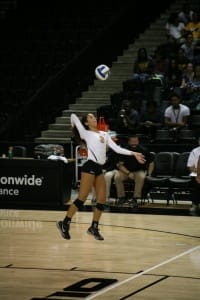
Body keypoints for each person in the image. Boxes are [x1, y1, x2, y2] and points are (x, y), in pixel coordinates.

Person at [56, 113, 145, 240]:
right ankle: (64, 223)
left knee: (102, 200)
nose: (94, 118)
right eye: (91, 117)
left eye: (94, 117)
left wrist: (133, 153)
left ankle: (94, 227)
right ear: (86, 123)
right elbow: (73, 116)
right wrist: (73, 124)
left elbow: (117, 149)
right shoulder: (85, 133)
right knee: (81, 199)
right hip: (90, 167)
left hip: (99, 168)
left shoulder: (104, 134)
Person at [113, 135, 154, 205]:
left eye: (136, 141)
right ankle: (121, 197)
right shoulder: (124, 151)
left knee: (141, 177)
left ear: (138, 141)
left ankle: (135, 198)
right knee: (117, 177)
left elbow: (151, 163)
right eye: (132, 141)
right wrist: (128, 173)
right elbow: (120, 165)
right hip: (126, 171)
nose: (134, 143)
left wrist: (149, 174)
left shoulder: (143, 150)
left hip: (138, 171)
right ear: (129, 142)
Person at [187, 139, 200, 215]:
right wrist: (198, 172)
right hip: (196, 173)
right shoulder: (194, 151)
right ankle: (195, 204)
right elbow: (190, 166)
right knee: (195, 184)